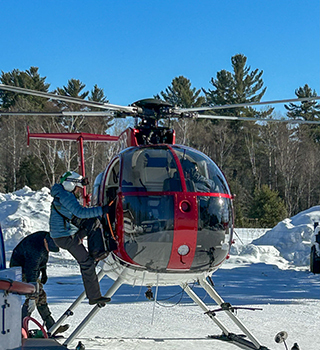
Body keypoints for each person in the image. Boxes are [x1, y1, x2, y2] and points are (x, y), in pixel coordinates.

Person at [50, 171, 111, 306]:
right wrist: (103, 210)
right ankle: (94, 297)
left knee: (93, 222)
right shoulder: (66, 196)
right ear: (71, 184)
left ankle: (96, 253)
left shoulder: (62, 193)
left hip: (66, 233)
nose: (79, 191)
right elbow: (80, 213)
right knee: (87, 263)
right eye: (78, 188)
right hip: (65, 237)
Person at [9, 231, 69, 336]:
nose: (48, 250)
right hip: (20, 271)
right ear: (45, 241)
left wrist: (44, 272)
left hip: (29, 269)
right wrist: (32, 292)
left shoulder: (46, 238)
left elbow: (43, 258)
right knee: (33, 298)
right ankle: (21, 328)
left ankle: (52, 327)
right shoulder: (34, 248)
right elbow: (31, 270)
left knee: (41, 296)